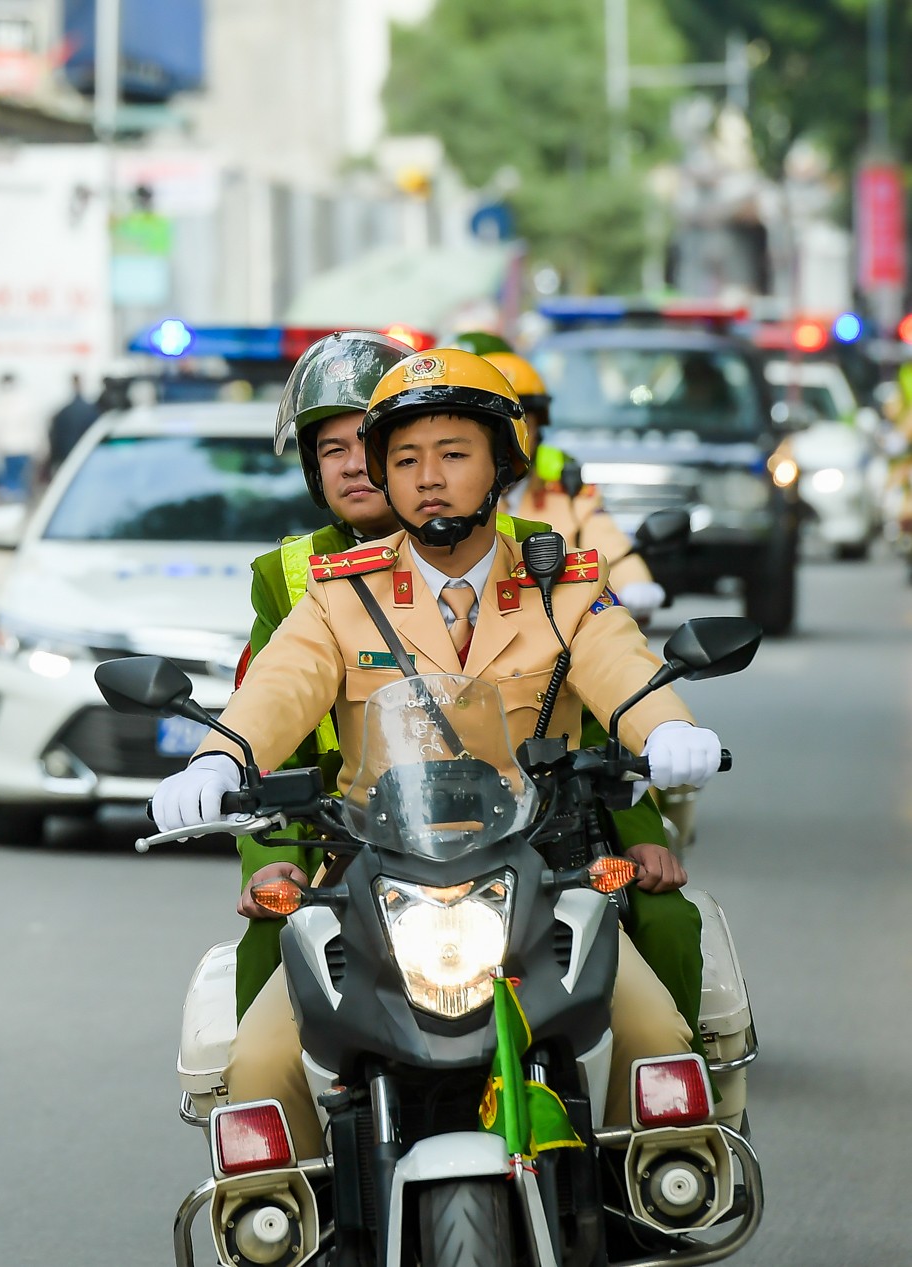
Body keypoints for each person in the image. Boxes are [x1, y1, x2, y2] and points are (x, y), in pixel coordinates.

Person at [154, 348, 721, 1154]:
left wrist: (666, 729)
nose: (427, 477)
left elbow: (619, 666)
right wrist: (219, 760)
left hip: (544, 876)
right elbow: (280, 685)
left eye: (453, 454)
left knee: (658, 1038)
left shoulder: (560, 584)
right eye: (406, 459)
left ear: (500, 465)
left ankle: (662, 1196)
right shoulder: (340, 593)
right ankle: (286, 1227)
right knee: (258, 1067)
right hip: (374, 883)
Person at [487, 350, 665, 616]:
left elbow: (611, 552)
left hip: (558, 626)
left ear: (539, 429)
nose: (510, 441)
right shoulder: (447, 494)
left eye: (522, 426)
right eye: (494, 429)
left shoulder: (568, 493)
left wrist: (635, 583)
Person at [45, 373, 101, 478]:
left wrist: (54, 459)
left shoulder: (64, 411)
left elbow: (55, 437)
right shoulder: (91, 410)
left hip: (68, 456)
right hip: (87, 455)